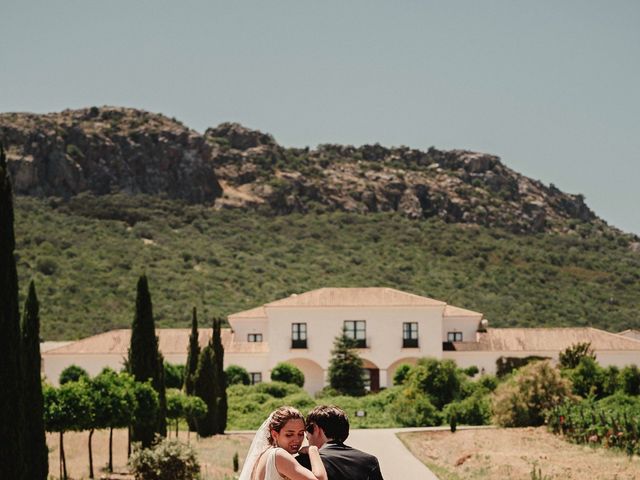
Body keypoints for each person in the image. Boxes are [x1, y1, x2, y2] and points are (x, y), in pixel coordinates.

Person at [239, 406, 328, 480]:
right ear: (274, 434)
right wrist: (313, 450)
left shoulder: (265, 455)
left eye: (301, 434)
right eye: (289, 434)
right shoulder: (278, 455)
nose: (296, 439)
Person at [297, 405, 384, 480]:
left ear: (315, 429)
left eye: (307, 430)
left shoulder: (304, 461)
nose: (306, 436)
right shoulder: (370, 461)